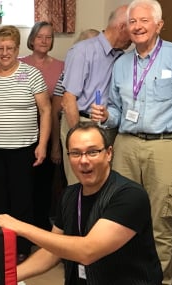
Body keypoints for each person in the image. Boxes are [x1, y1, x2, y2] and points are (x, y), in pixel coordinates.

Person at [0, 121, 169, 285]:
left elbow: (87, 251)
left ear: (108, 153)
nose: (84, 161)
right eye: (76, 153)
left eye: (93, 152)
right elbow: (51, 251)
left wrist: (20, 227)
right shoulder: (70, 196)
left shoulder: (129, 196)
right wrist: (8, 278)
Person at [93, 0, 172, 285]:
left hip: (168, 148)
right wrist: (107, 116)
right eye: (133, 22)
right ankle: (123, 282)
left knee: (161, 221)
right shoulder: (121, 64)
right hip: (128, 146)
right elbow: (118, 113)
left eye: (144, 21)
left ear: (159, 25)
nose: (138, 27)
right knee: (121, 218)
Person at [0, 25, 51, 262]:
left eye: (9, 48)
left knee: (21, 200)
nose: (4, 52)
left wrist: (43, 144)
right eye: (0, 48)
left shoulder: (31, 74)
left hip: (23, 150)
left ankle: (21, 247)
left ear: (17, 49)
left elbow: (45, 111)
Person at [59, 5, 131, 185]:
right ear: (122, 27)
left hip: (108, 126)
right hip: (80, 122)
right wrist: (78, 134)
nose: (134, 39)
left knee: (105, 185)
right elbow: (68, 100)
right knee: (80, 184)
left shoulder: (122, 57)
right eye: (132, 31)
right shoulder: (83, 51)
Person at [20, 21, 65, 233]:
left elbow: (56, 108)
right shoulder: (18, 63)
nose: (44, 41)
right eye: (40, 37)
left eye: (48, 37)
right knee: (23, 181)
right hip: (22, 129)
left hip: (49, 127)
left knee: (44, 182)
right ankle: (23, 225)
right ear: (31, 39)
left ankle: (41, 225)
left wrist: (55, 144)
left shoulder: (61, 66)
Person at [51, 28, 101, 186]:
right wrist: (56, 147)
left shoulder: (107, 69)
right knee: (77, 179)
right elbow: (56, 110)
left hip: (102, 124)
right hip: (75, 123)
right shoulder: (68, 72)